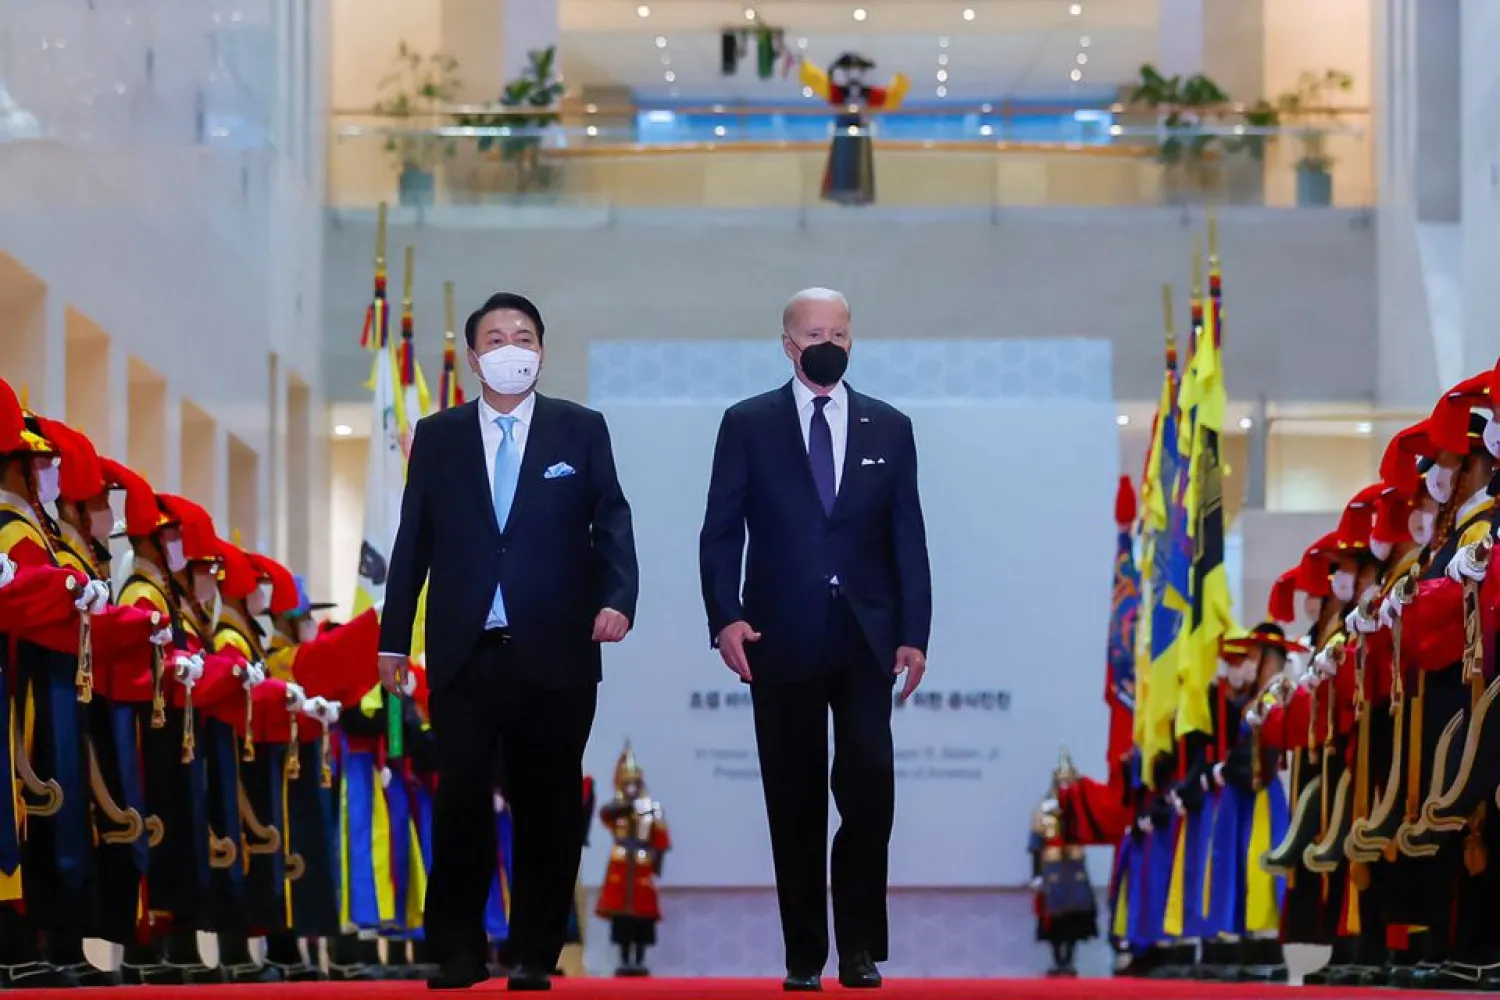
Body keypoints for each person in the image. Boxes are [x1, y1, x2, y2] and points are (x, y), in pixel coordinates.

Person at [378, 291, 639, 992]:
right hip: (466, 650)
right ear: (473, 357)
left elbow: (612, 521)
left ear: (542, 351)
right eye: (496, 338)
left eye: (523, 336)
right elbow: (414, 541)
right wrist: (393, 639)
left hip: (555, 652)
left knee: (549, 806)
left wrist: (618, 600)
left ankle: (533, 952)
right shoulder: (438, 437)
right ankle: (457, 952)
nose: (511, 348)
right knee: (460, 799)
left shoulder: (579, 430)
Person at [698, 286, 932, 992]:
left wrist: (915, 634)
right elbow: (720, 530)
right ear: (787, 344)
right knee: (793, 799)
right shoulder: (747, 424)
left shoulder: (890, 427)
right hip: (780, 635)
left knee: (869, 793)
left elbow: (907, 539)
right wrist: (724, 616)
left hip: (866, 640)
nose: (824, 342)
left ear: (852, 339)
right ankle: (804, 955)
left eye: (836, 330)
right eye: (810, 332)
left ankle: (859, 947)